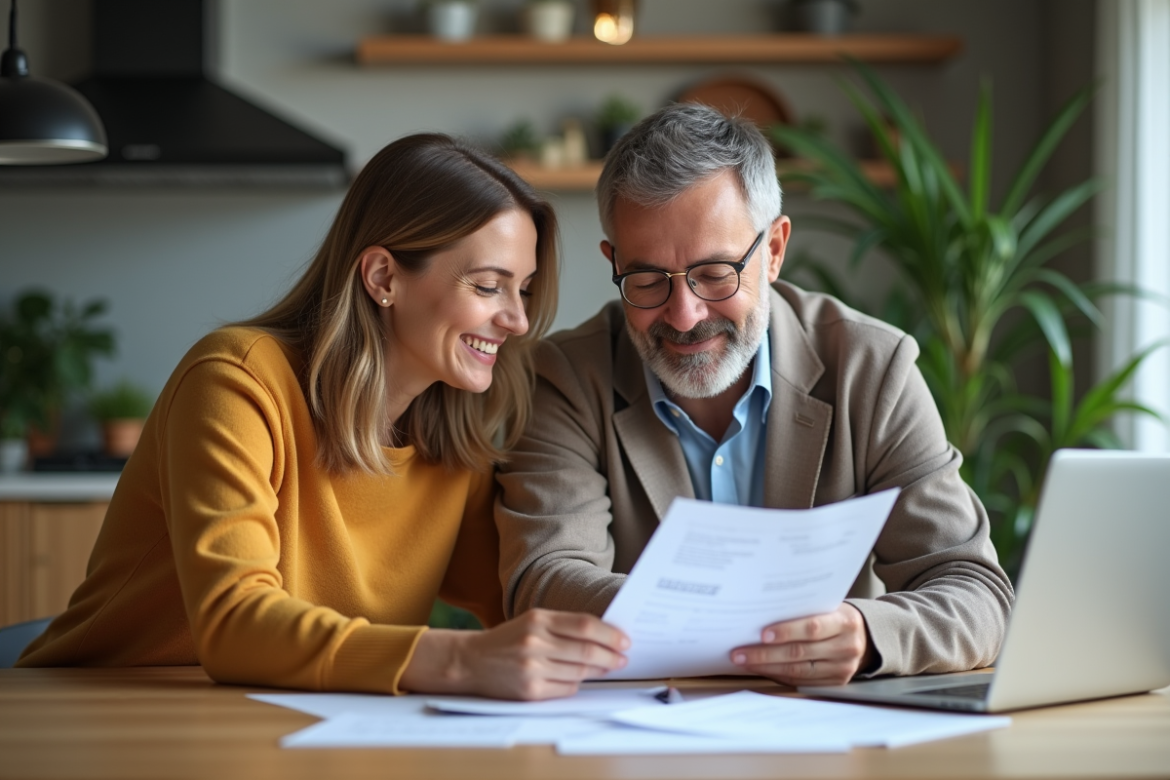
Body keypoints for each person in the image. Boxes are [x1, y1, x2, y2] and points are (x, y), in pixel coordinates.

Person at [18, 134, 629, 700]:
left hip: (294, 724)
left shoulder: (452, 437)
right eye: (489, 286)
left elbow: (520, 602)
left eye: (522, 289)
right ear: (384, 277)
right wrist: (461, 661)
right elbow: (233, 624)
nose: (518, 321)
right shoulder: (236, 382)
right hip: (105, 710)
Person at [496, 104, 1014, 687]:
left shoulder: (873, 368)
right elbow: (543, 582)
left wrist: (867, 635)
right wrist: (745, 620)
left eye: (715, 273)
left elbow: (977, 593)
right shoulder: (563, 377)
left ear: (773, 251)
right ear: (613, 263)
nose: (685, 315)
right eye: (647, 280)